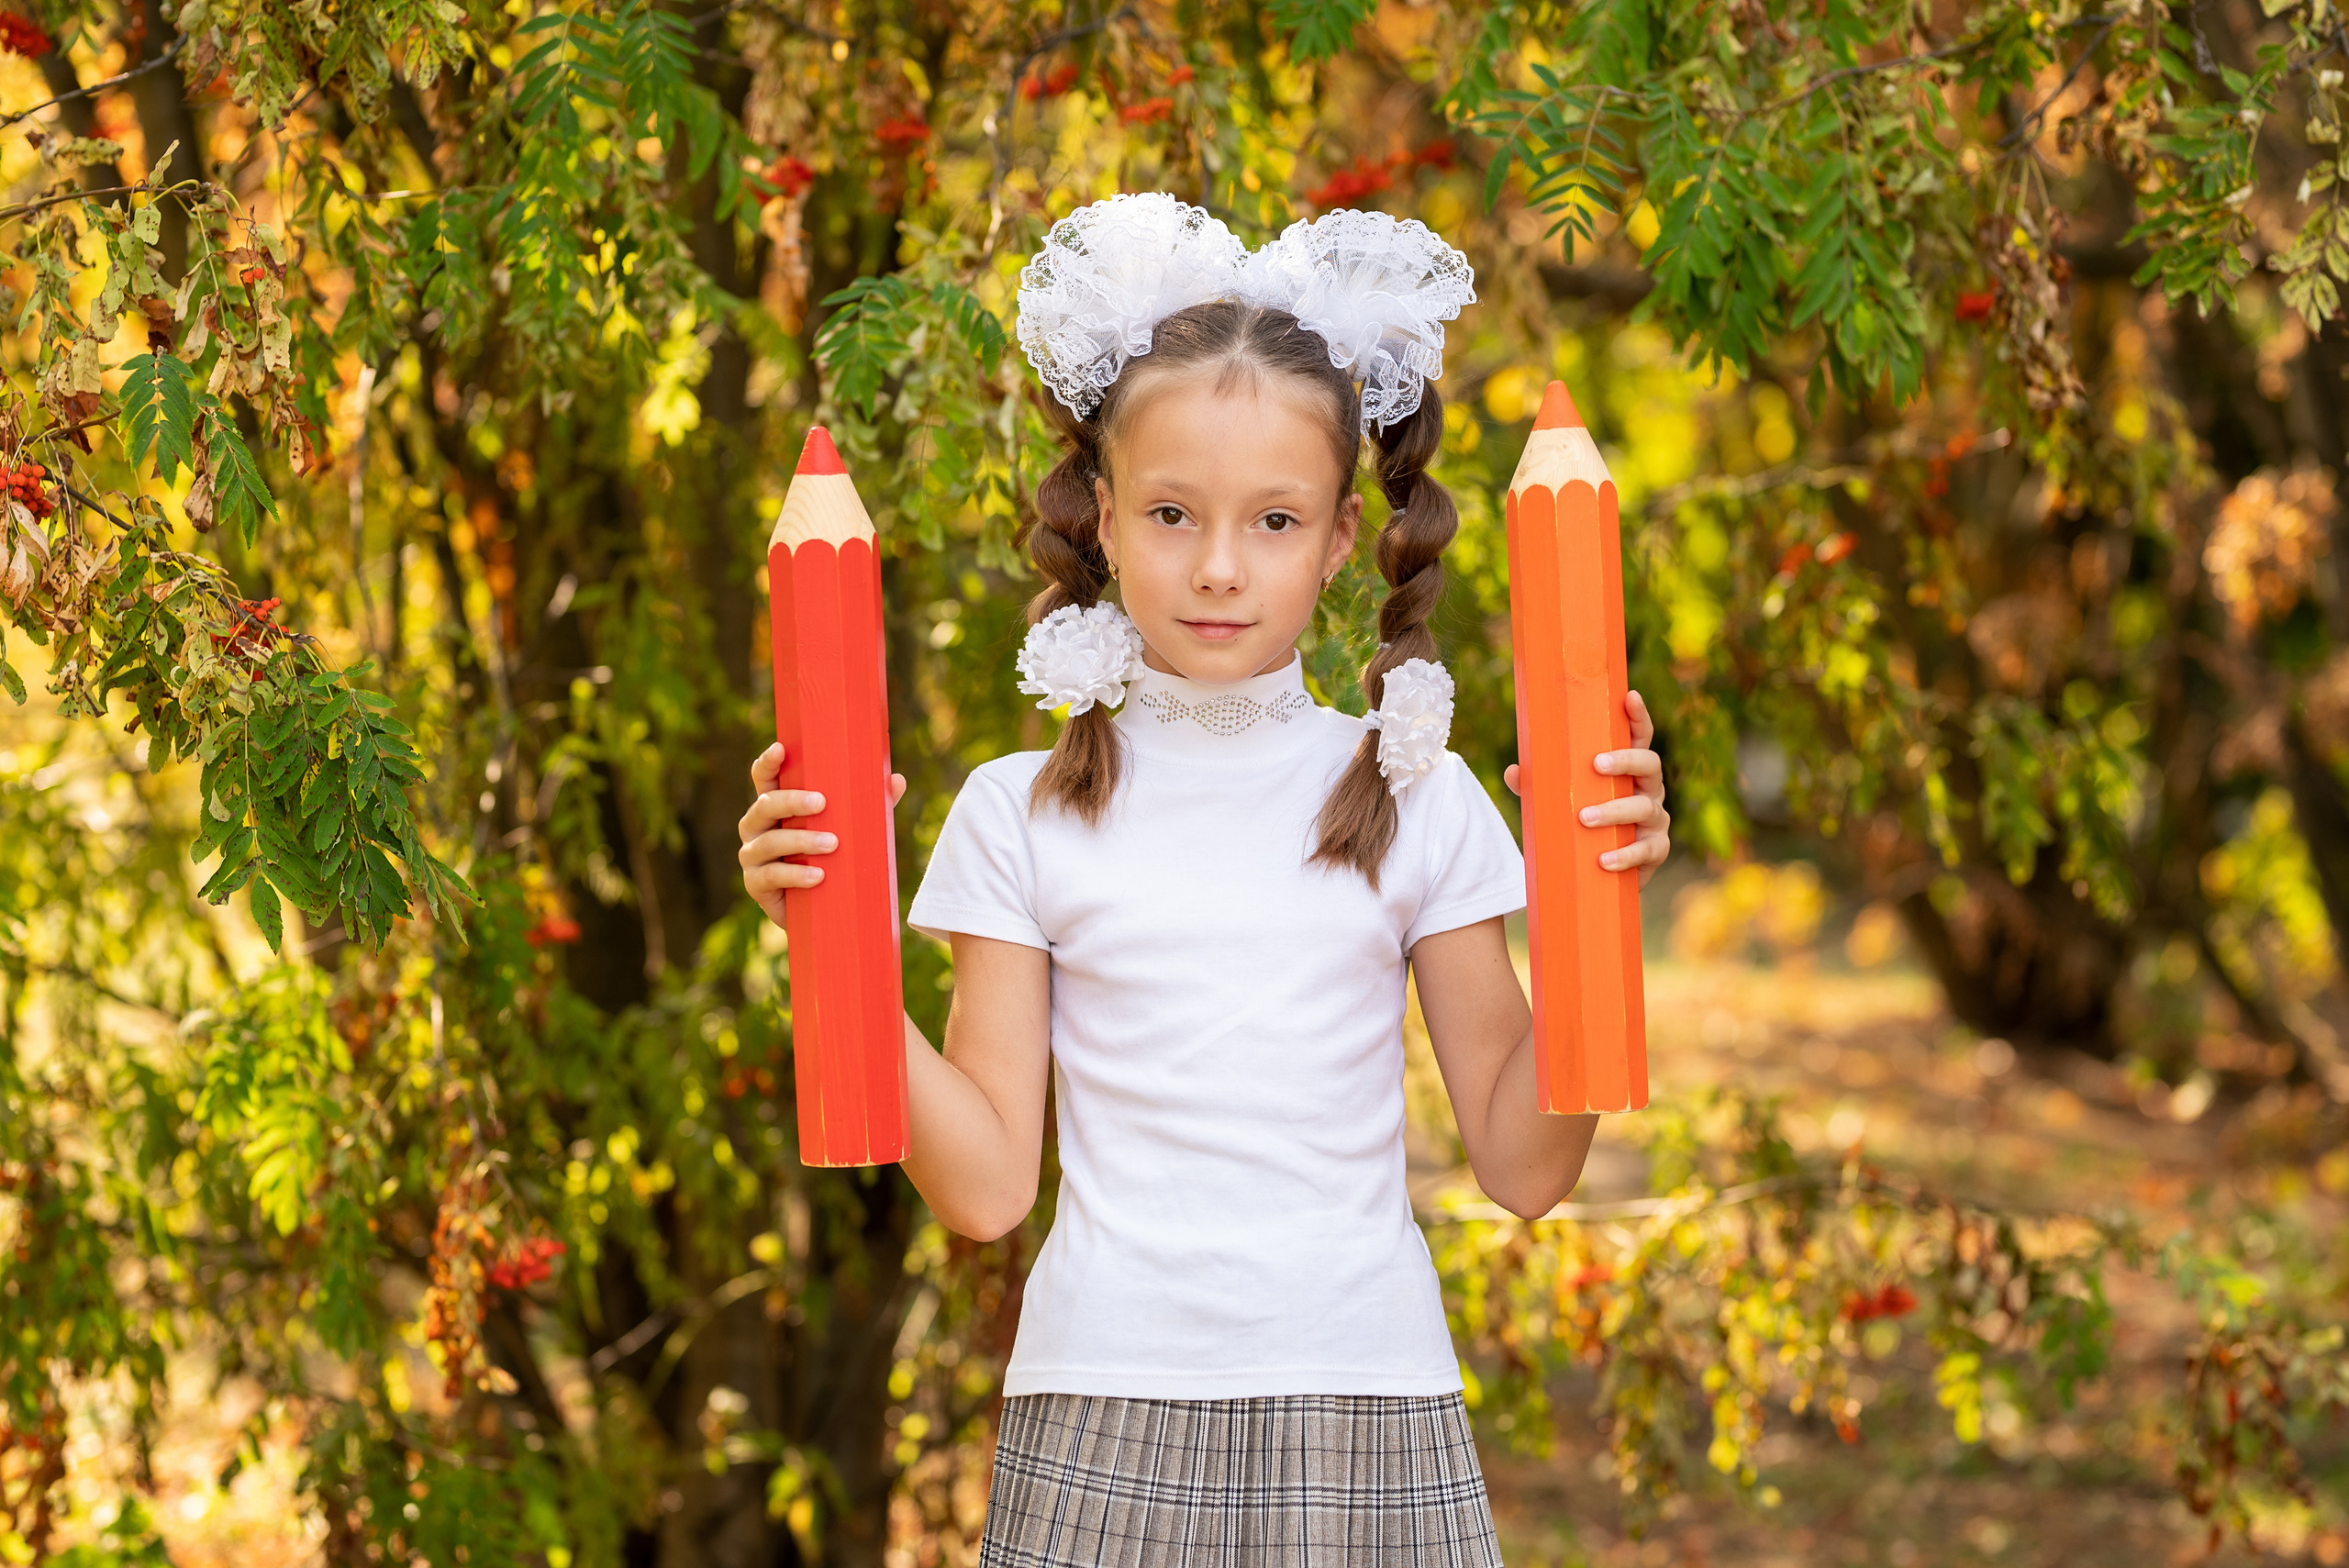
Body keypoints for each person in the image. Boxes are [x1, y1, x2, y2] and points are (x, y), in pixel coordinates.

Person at [737, 194, 1672, 1567]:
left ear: (1346, 536)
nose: (1221, 566)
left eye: (1276, 520)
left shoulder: (1416, 791)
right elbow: (987, 1186)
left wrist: (1608, 894)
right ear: (1104, 518)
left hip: (1367, 1400)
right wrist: (834, 946)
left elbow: (1527, 1162)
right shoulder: (1021, 812)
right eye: (1174, 512)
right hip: (1104, 1407)